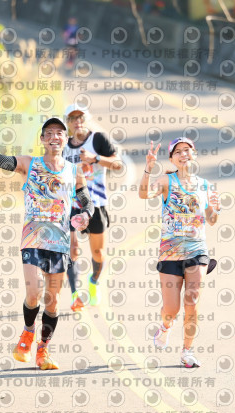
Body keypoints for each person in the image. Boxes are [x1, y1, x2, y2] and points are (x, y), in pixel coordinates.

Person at [0, 100, 94, 370]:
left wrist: (85, 215)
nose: (55, 136)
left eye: (60, 133)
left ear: (65, 139)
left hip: (59, 242)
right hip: (33, 238)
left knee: (53, 301)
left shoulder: (73, 171)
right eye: (49, 133)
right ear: (42, 139)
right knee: (33, 293)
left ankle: (43, 350)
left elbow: (86, 201)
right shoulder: (28, 164)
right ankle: (28, 331)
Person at [138, 137, 220, 368]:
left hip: (197, 250)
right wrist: (148, 168)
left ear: (194, 154)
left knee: (192, 300)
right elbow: (144, 194)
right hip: (170, 253)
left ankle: (187, 351)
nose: (184, 154)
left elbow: (212, 220)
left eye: (187, 150)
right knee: (171, 309)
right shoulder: (167, 181)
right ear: (172, 159)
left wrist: (214, 208)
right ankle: (166, 325)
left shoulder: (205, 185)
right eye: (178, 152)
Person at [62, 104, 121, 312]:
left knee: (98, 253)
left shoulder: (98, 139)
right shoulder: (63, 145)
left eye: (80, 117)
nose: (77, 121)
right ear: (68, 123)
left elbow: (117, 164)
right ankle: (75, 295)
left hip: (96, 204)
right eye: (72, 118)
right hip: (72, 204)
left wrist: (94, 159)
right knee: (72, 250)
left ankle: (94, 281)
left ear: (86, 119)